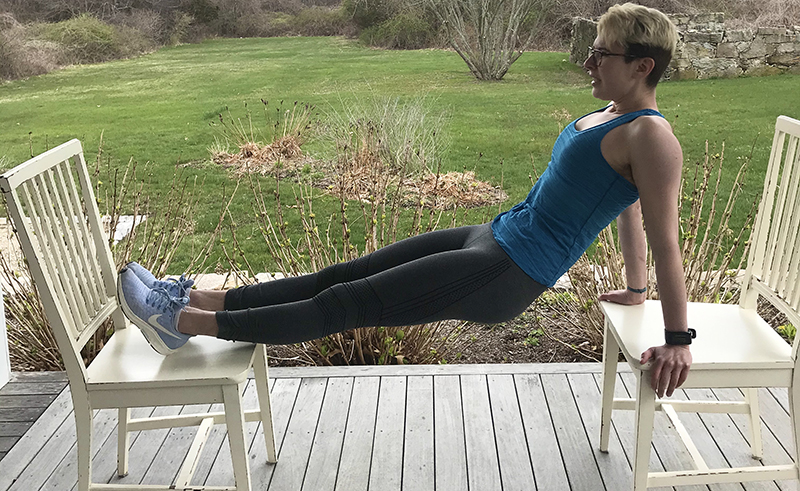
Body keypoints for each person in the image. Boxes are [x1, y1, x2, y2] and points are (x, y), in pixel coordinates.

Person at [117, 2, 691, 398]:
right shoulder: (610, 113)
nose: (588, 62)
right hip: (495, 236)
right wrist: (635, 287)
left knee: (344, 303)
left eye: (602, 54)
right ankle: (198, 299)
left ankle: (180, 322)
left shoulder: (652, 136)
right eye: (591, 50)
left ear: (643, 66)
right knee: (340, 276)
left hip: (510, 272)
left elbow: (665, 239)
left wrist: (675, 339)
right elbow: (626, 208)